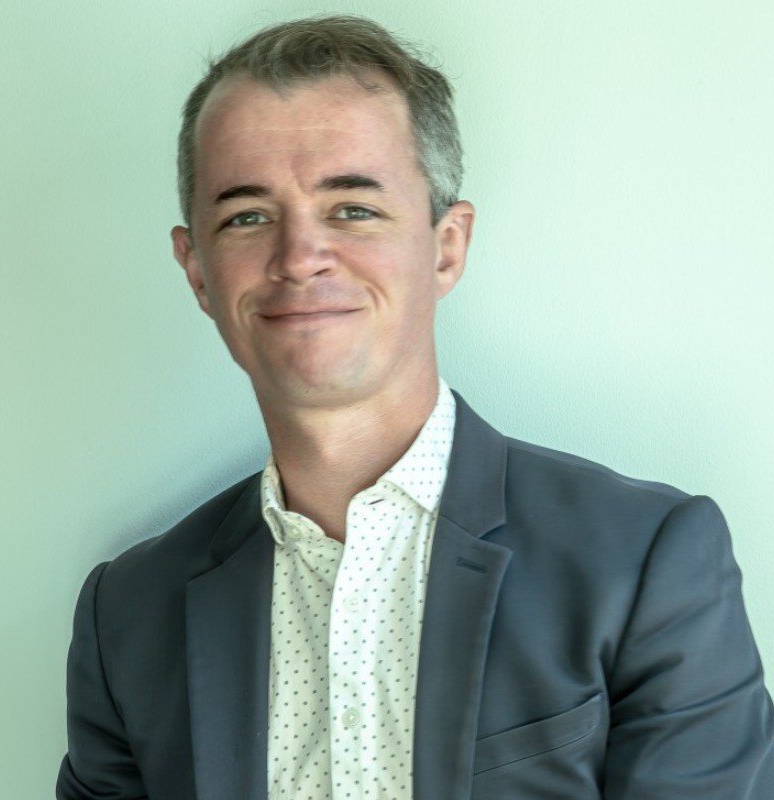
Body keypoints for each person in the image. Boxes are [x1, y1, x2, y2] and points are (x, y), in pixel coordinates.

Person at [56, 14, 774, 800]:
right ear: (197, 270)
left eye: (352, 208)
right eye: (247, 216)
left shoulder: (646, 565)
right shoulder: (126, 617)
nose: (299, 257)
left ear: (446, 247)